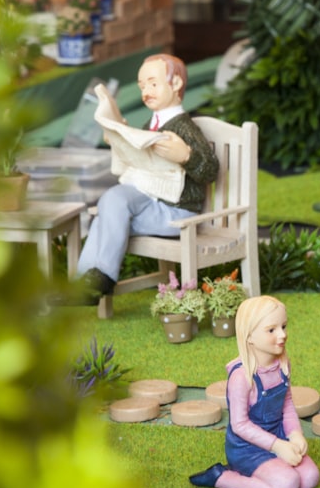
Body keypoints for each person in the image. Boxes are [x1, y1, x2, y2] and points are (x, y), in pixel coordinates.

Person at [70, 53, 219, 303]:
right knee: (111, 204)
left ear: (176, 84)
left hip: (177, 211)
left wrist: (186, 155)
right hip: (152, 200)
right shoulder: (152, 123)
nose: (146, 91)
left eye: (153, 83)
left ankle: (100, 277)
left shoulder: (185, 127)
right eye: (142, 86)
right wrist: (120, 140)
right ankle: (83, 284)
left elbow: (211, 170)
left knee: (111, 206)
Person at [189, 296, 320, 488]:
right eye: (271, 330)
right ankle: (220, 477)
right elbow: (240, 425)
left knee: (310, 477)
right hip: (248, 448)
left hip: (278, 435)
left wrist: (295, 434)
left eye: (284, 326)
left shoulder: (282, 365)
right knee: (287, 484)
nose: (282, 335)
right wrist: (277, 446)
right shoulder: (241, 377)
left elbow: (287, 405)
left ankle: (275, 465)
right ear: (249, 336)